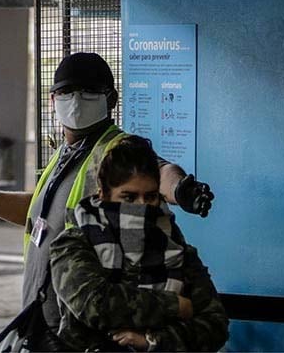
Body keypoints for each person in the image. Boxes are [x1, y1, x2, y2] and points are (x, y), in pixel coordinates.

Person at [0, 52, 215, 349]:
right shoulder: (66, 154)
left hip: (89, 333)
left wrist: (180, 189)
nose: (77, 100)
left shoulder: (116, 149)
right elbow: (41, 215)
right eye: (66, 91)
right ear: (53, 99)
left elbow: (159, 170)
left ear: (111, 99)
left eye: (90, 91)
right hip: (43, 322)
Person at [50, 134, 229, 351]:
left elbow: (214, 326)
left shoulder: (177, 250)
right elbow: (95, 305)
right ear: (103, 195)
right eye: (129, 198)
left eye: (150, 197)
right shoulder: (74, 244)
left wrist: (152, 341)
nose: (142, 206)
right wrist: (175, 306)